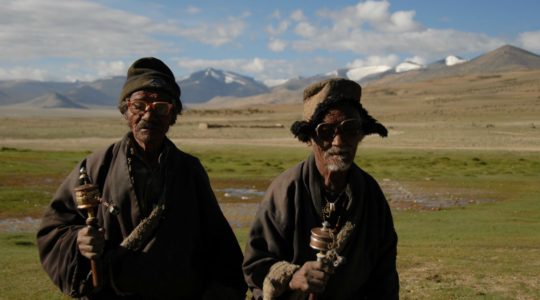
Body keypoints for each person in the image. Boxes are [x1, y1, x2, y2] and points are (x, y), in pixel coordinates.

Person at [37, 57, 247, 299]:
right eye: (139, 105)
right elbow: (53, 230)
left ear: (172, 115)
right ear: (126, 111)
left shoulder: (190, 170)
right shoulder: (95, 167)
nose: (148, 115)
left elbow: (218, 243)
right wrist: (78, 241)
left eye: (160, 107)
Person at [242, 78, 399, 299]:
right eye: (326, 131)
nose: (338, 141)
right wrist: (292, 277)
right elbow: (255, 265)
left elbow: (385, 276)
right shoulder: (285, 191)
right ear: (310, 138)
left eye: (350, 129)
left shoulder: (371, 195)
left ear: (361, 134)